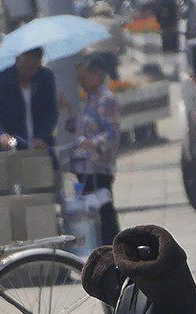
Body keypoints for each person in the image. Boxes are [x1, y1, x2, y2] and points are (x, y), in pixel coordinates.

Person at [60, 54, 121, 246]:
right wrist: (69, 111)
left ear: (97, 74)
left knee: (104, 209)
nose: (81, 82)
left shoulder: (106, 99)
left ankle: (113, 246)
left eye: (84, 77)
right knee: (90, 209)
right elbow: (82, 127)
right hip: (84, 166)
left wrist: (93, 143)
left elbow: (112, 133)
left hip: (99, 166)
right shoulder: (90, 99)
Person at [0, 47, 57, 152]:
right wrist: (1, 136)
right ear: (17, 59)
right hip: (11, 146)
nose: (27, 72)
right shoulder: (1, 79)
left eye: (32, 68)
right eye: (24, 67)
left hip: (39, 146)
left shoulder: (45, 78)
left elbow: (50, 112)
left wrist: (42, 136)